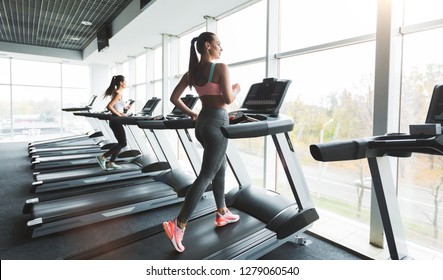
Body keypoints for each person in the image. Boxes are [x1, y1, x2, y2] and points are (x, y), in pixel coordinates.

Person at [162, 32, 241, 253]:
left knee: (220, 168)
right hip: (217, 122)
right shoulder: (221, 68)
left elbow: (174, 98)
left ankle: (222, 212)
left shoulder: (192, 73)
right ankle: (178, 224)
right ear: (207, 46)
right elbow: (227, 99)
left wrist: (191, 114)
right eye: (219, 44)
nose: (221, 48)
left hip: (202, 123)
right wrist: (237, 88)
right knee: (207, 174)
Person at [96, 75, 132, 171]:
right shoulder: (117, 93)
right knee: (123, 143)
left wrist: (123, 110)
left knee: (120, 142)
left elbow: (116, 107)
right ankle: (103, 157)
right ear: (121, 83)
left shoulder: (118, 93)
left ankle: (111, 162)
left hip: (116, 120)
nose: (126, 83)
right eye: (125, 81)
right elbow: (109, 106)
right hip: (116, 121)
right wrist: (119, 115)